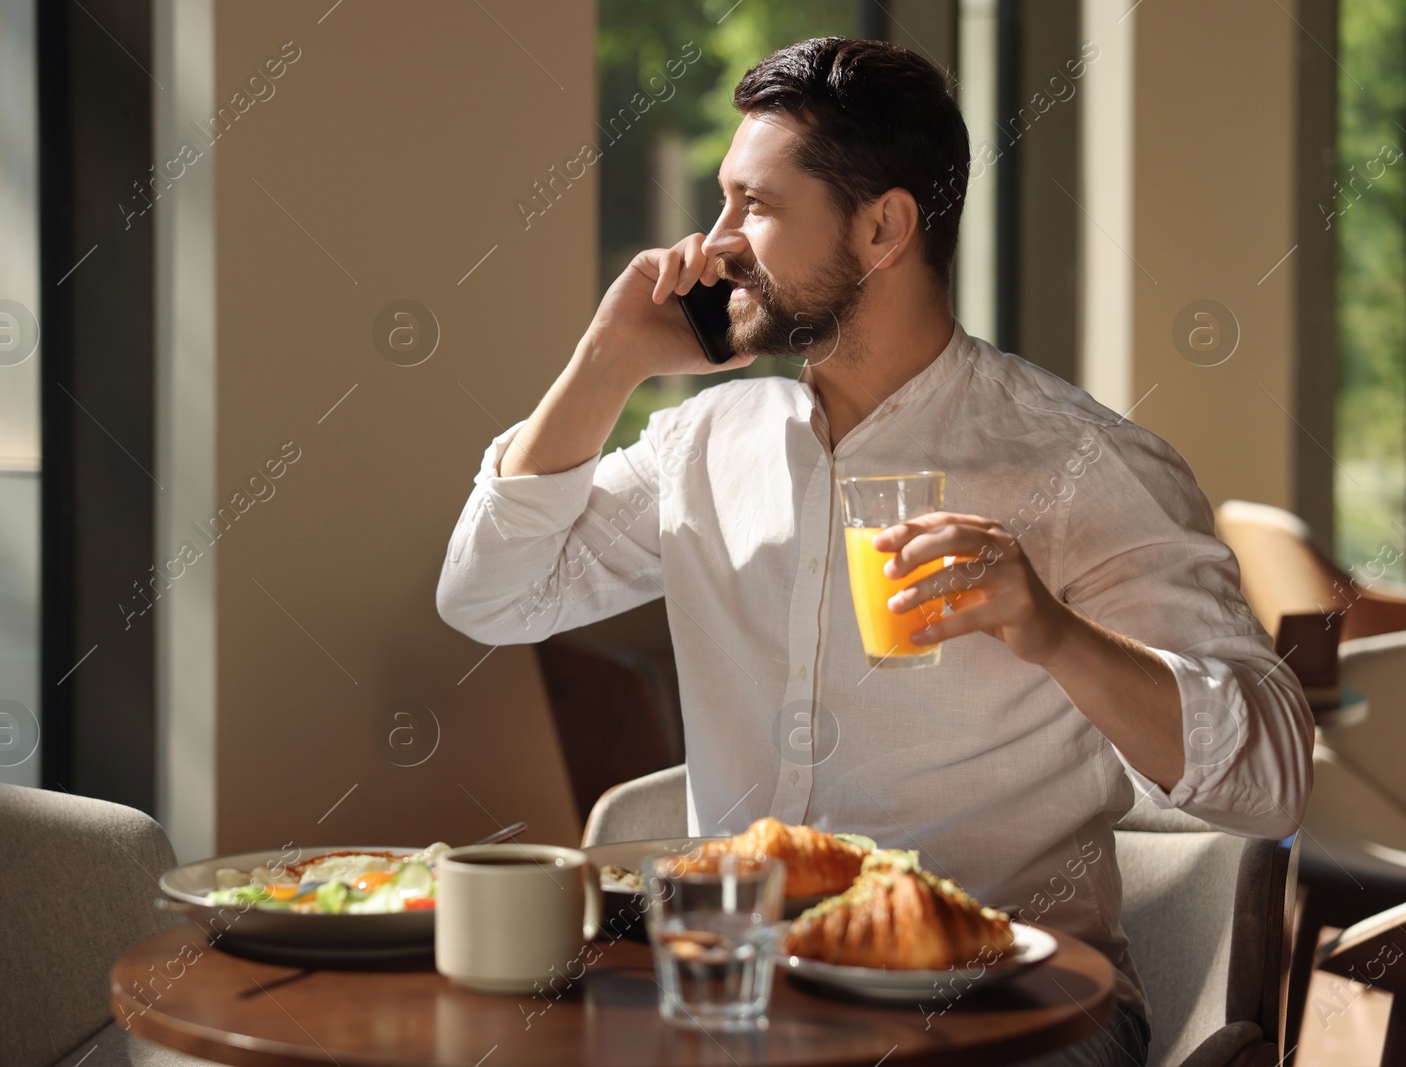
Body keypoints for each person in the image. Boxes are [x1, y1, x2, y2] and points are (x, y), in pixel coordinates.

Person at [436, 36, 1312, 1065]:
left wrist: (1052, 633)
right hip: (753, 1001)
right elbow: (486, 597)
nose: (712, 244)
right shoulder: (706, 444)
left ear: (884, 226)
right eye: (722, 203)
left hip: (1010, 1009)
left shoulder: (1085, 466)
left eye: (753, 207)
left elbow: (1272, 778)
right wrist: (607, 361)